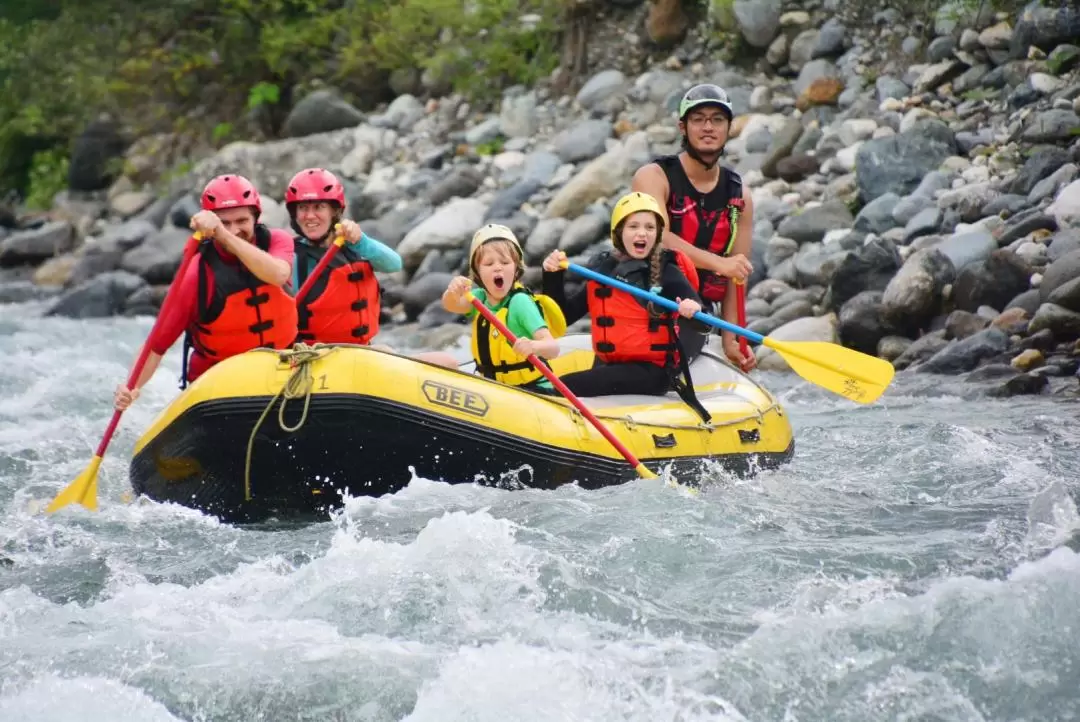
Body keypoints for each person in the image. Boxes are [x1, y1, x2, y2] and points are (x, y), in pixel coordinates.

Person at [114, 174, 298, 410]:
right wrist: (130, 388)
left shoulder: (277, 242)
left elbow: (278, 275)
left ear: (256, 218)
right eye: (225, 223)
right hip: (220, 385)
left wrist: (223, 234)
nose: (234, 229)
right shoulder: (197, 274)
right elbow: (156, 345)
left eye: (242, 220)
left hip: (282, 371)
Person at [541, 192, 712, 420]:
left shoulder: (667, 273)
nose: (642, 233)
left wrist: (693, 310)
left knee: (561, 386)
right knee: (565, 381)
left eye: (650, 227)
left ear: (657, 234)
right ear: (619, 232)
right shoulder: (604, 271)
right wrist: (552, 276)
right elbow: (563, 317)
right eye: (633, 226)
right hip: (610, 363)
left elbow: (704, 323)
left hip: (652, 372)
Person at [631, 83, 757, 372]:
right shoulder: (653, 176)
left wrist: (730, 340)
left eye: (717, 120)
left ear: (728, 128)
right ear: (683, 127)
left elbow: (737, 275)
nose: (708, 127)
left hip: (696, 311)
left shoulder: (740, 197)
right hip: (647, 298)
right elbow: (657, 238)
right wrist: (720, 264)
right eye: (698, 119)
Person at [285, 167, 458, 367]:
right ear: (294, 214)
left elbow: (394, 263)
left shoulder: (355, 246)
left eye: (319, 207)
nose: (310, 216)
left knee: (447, 363)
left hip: (359, 351)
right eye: (303, 209)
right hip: (313, 358)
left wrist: (361, 241)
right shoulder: (292, 257)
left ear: (334, 211)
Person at [441, 224, 566, 394]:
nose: (498, 267)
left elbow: (553, 348)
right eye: (488, 263)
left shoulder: (520, 303)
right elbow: (451, 304)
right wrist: (452, 292)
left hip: (534, 390)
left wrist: (533, 346)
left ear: (516, 270)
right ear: (478, 273)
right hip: (498, 388)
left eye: (505, 262)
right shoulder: (478, 298)